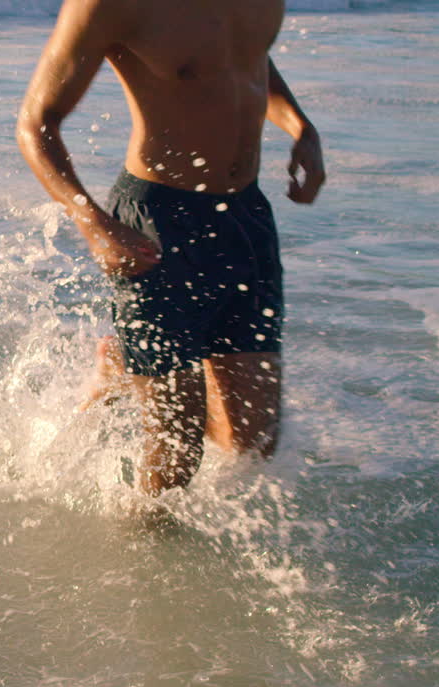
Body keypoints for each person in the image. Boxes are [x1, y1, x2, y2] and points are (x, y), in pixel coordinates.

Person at [16, 0, 325, 495]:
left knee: (252, 445)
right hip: (159, 223)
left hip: (246, 219)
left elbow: (244, 57)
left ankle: (123, 363)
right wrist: (93, 224)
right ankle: (134, 545)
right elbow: (36, 123)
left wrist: (302, 127)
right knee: (175, 457)